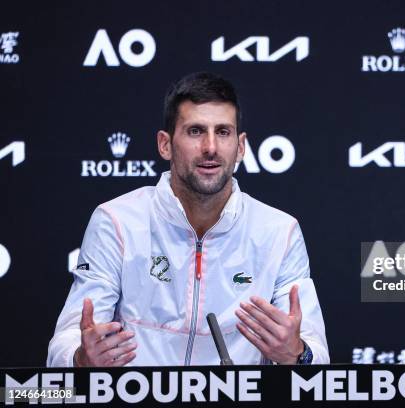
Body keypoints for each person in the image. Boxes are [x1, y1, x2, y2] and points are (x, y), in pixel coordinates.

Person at [47, 72, 329, 366]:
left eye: (223, 132)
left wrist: (298, 355)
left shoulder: (279, 231)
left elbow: (317, 356)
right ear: (165, 144)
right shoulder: (117, 221)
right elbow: (64, 344)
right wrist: (80, 359)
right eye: (195, 131)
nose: (210, 147)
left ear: (240, 146)